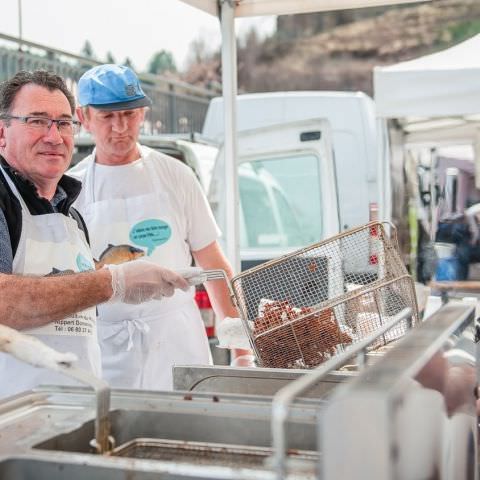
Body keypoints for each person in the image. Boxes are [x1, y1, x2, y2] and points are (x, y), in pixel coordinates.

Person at [0, 70, 189, 398]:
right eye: (37, 121)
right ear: (2, 133)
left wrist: (116, 291)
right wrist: (112, 282)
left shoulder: (72, 217)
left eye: (62, 123)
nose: (54, 137)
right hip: (14, 420)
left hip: (77, 414)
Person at [70, 64, 252, 391]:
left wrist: (241, 349)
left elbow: (214, 265)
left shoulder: (176, 175)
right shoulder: (72, 188)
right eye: (107, 117)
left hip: (177, 339)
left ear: (142, 113)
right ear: (84, 118)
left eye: (128, 114)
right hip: (106, 350)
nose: (120, 127)